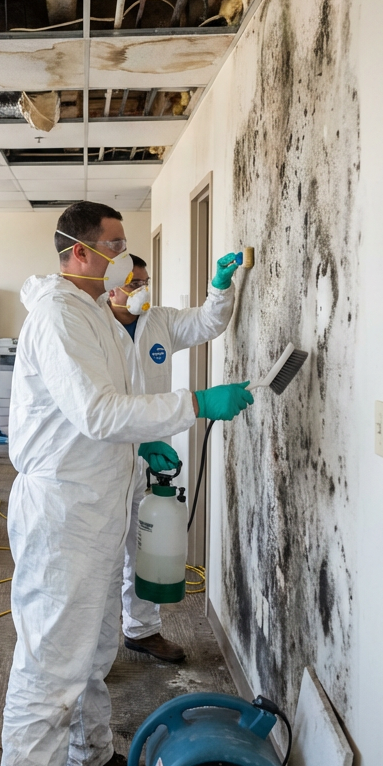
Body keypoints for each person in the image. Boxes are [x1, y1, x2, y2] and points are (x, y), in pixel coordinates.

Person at [0, 201, 254, 766]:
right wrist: (195, 406)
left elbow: (106, 412)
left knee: (92, 647)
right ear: (79, 252)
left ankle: (86, 757)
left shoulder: (94, 315)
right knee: (52, 660)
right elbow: (98, 411)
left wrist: (145, 450)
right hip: (63, 511)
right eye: (114, 245)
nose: (124, 256)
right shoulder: (60, 316)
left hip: (96, 501)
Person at [108, 253, 238, 663]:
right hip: (106, 461)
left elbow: (207, 322)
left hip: (151, 458)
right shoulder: (95, 328)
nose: (142, 290)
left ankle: (142, 630)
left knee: (144, 546)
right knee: (103, 558)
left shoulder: (159, 321)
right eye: (133, 283)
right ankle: (94, 654)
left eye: (145, 282)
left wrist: (220, 287)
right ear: (110, 287)